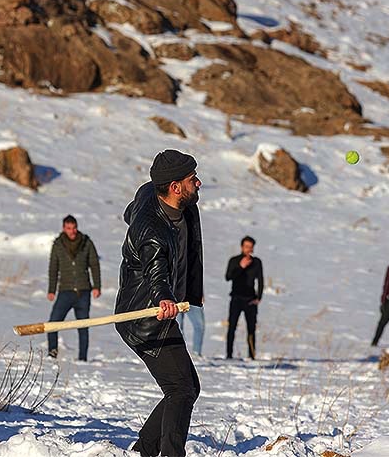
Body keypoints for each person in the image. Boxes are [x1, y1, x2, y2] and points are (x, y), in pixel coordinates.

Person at [115, 149, 204, 457]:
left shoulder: (154, 193)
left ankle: (147, 445)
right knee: (181, 389)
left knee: (187, 387)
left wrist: (190, 291)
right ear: (175, 187)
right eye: (193, 179)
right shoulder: (152, 232)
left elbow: (131, 211)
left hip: (158, 314)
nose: (199, 183)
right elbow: (156, 271)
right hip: (145, 319)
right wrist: (164, 296)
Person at [46, 215, 101, 361]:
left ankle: (83, 359)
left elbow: (94, 265)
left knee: (83, 326)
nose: (72, 231)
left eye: (74, 227)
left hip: (83, 292)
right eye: (69, 228)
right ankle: (52, 355)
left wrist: (97, 286)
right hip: (65, 291)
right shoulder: (58, 245)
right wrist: (51, 290)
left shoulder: (86, 242)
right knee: (53, 324)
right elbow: (53, 268)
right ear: (64, 228)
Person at [225, 236, 263, 360]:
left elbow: (260, 280)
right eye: (246, 247)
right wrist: (241, 267)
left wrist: (258, 298)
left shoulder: (256, 262)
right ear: (242, 247)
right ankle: (229, 355)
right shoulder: (234, 260)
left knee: (251, 329)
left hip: (250, 300)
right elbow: (228, 277)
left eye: (251, 247)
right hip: (236, 299)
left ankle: (252, 355)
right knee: (232, 327)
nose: (249, 249)